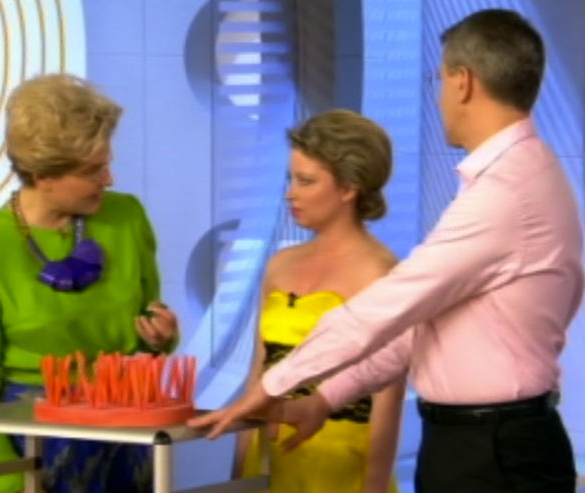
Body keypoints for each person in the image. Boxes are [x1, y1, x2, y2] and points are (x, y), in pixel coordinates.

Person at [190, 9, 583, 493]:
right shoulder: (523, 176)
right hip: (479, 442)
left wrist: (275, 384)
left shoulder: (506, 192)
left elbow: (386, 309)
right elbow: (417, 331)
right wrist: (324, 399)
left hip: (492, 450)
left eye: (439, 79)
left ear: (463, 82)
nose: (438, 96)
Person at [0, 74, 178, 493]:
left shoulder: (127, 218)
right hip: (31, 442)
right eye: (93, 171)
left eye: (107, 163)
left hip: (123, 432)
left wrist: (160, 338)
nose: (109, 179)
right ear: (43, 175)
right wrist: (13, 483)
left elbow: (148, 330)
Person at [234, 109, 405, 493]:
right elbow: (257, 373)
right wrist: (239, 475)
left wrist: (374, 488)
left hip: (341, 464)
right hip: (271, 456)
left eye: (306, 181)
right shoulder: (279, 265)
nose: (291, 193)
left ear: (349, 188)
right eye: (291, 179)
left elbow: (387, 400)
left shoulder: (379, 272)